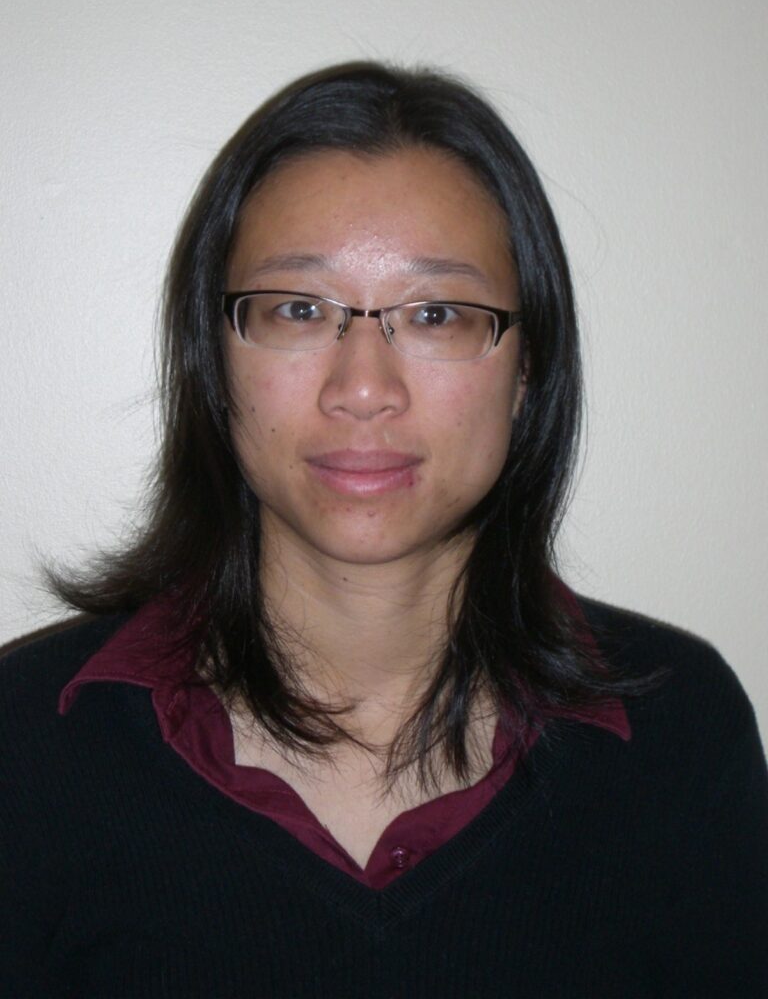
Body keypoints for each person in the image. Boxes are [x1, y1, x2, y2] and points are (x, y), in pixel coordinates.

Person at [1, 61, 766, 998]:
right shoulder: (28, 744)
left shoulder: (679, 735)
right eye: (297, 310)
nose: (363, 388)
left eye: (437, 314)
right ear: (214, 363)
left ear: (528, 370)